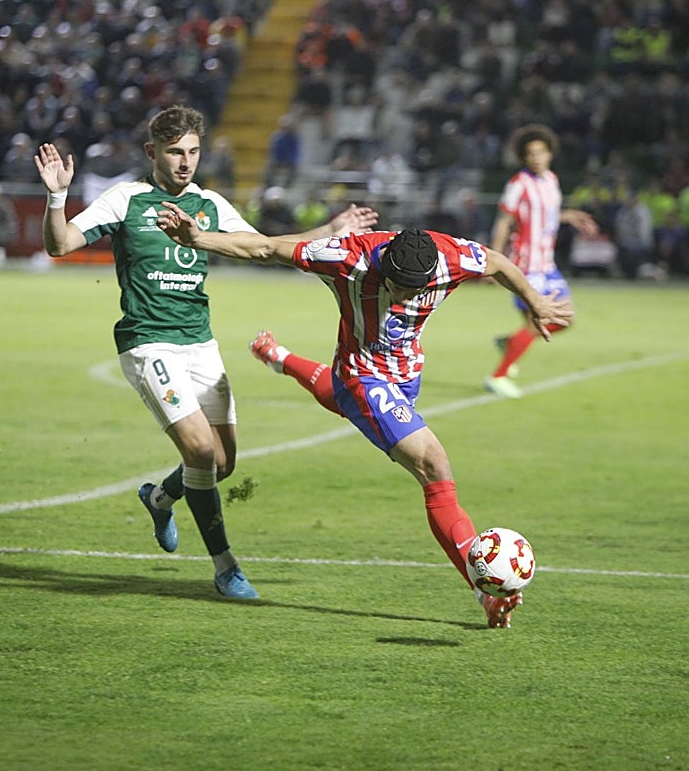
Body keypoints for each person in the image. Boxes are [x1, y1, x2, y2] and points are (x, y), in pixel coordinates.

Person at [155, 217, 572, 628]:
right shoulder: (348, 257)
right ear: (385, 266)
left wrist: (534, 301)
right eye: (398, 286)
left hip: (405, 375)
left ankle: (281, 358)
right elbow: (265, 247)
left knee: (345, 402)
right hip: (365, 377)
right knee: (434, 466)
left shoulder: (450, 257)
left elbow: (498, 261)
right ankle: (483, 591)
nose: (405, 295)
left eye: (415, 289)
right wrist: (199, 238)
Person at [34, 105, 377, 600]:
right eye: (174, 152)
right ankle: (225, 566)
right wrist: (57, 196)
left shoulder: (210, 205)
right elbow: (61, 244)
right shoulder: (126, 199)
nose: (185, 162)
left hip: (200, 344)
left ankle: (159, 496)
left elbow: (265, 247)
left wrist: (328, 231)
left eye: (193, 151)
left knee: (222, 464)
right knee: (198, 450)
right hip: (148, 341)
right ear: (153, 152)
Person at [485, 124, 598, 399]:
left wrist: (569, 216)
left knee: (562, 319)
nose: (536, 157)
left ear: (550, 154)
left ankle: (511, 344)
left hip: (547, 264)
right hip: (526, 265)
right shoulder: (518, 184)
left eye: (541, 152)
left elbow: (545, 215)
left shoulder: (551, 180)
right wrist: (494, 259)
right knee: (541, 322)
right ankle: (498, 376)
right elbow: (504, 222)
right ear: (524, 157)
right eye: (530, 153)